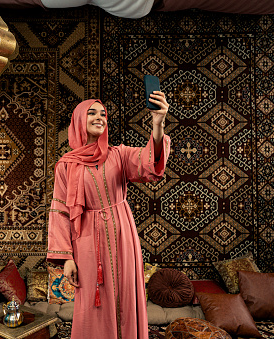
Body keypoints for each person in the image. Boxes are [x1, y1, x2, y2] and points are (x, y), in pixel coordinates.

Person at [47, 91, 170, 339]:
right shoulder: (66, 165)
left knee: (126, 296)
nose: (99, 118)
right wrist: (68, 258)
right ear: (79, 120)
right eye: (91, 113)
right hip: (87, 245)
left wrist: (157, 123)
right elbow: (60, 212)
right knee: (94, 303)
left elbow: (150, 165)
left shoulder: (118, 155)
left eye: (103, 114)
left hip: (124, 237)